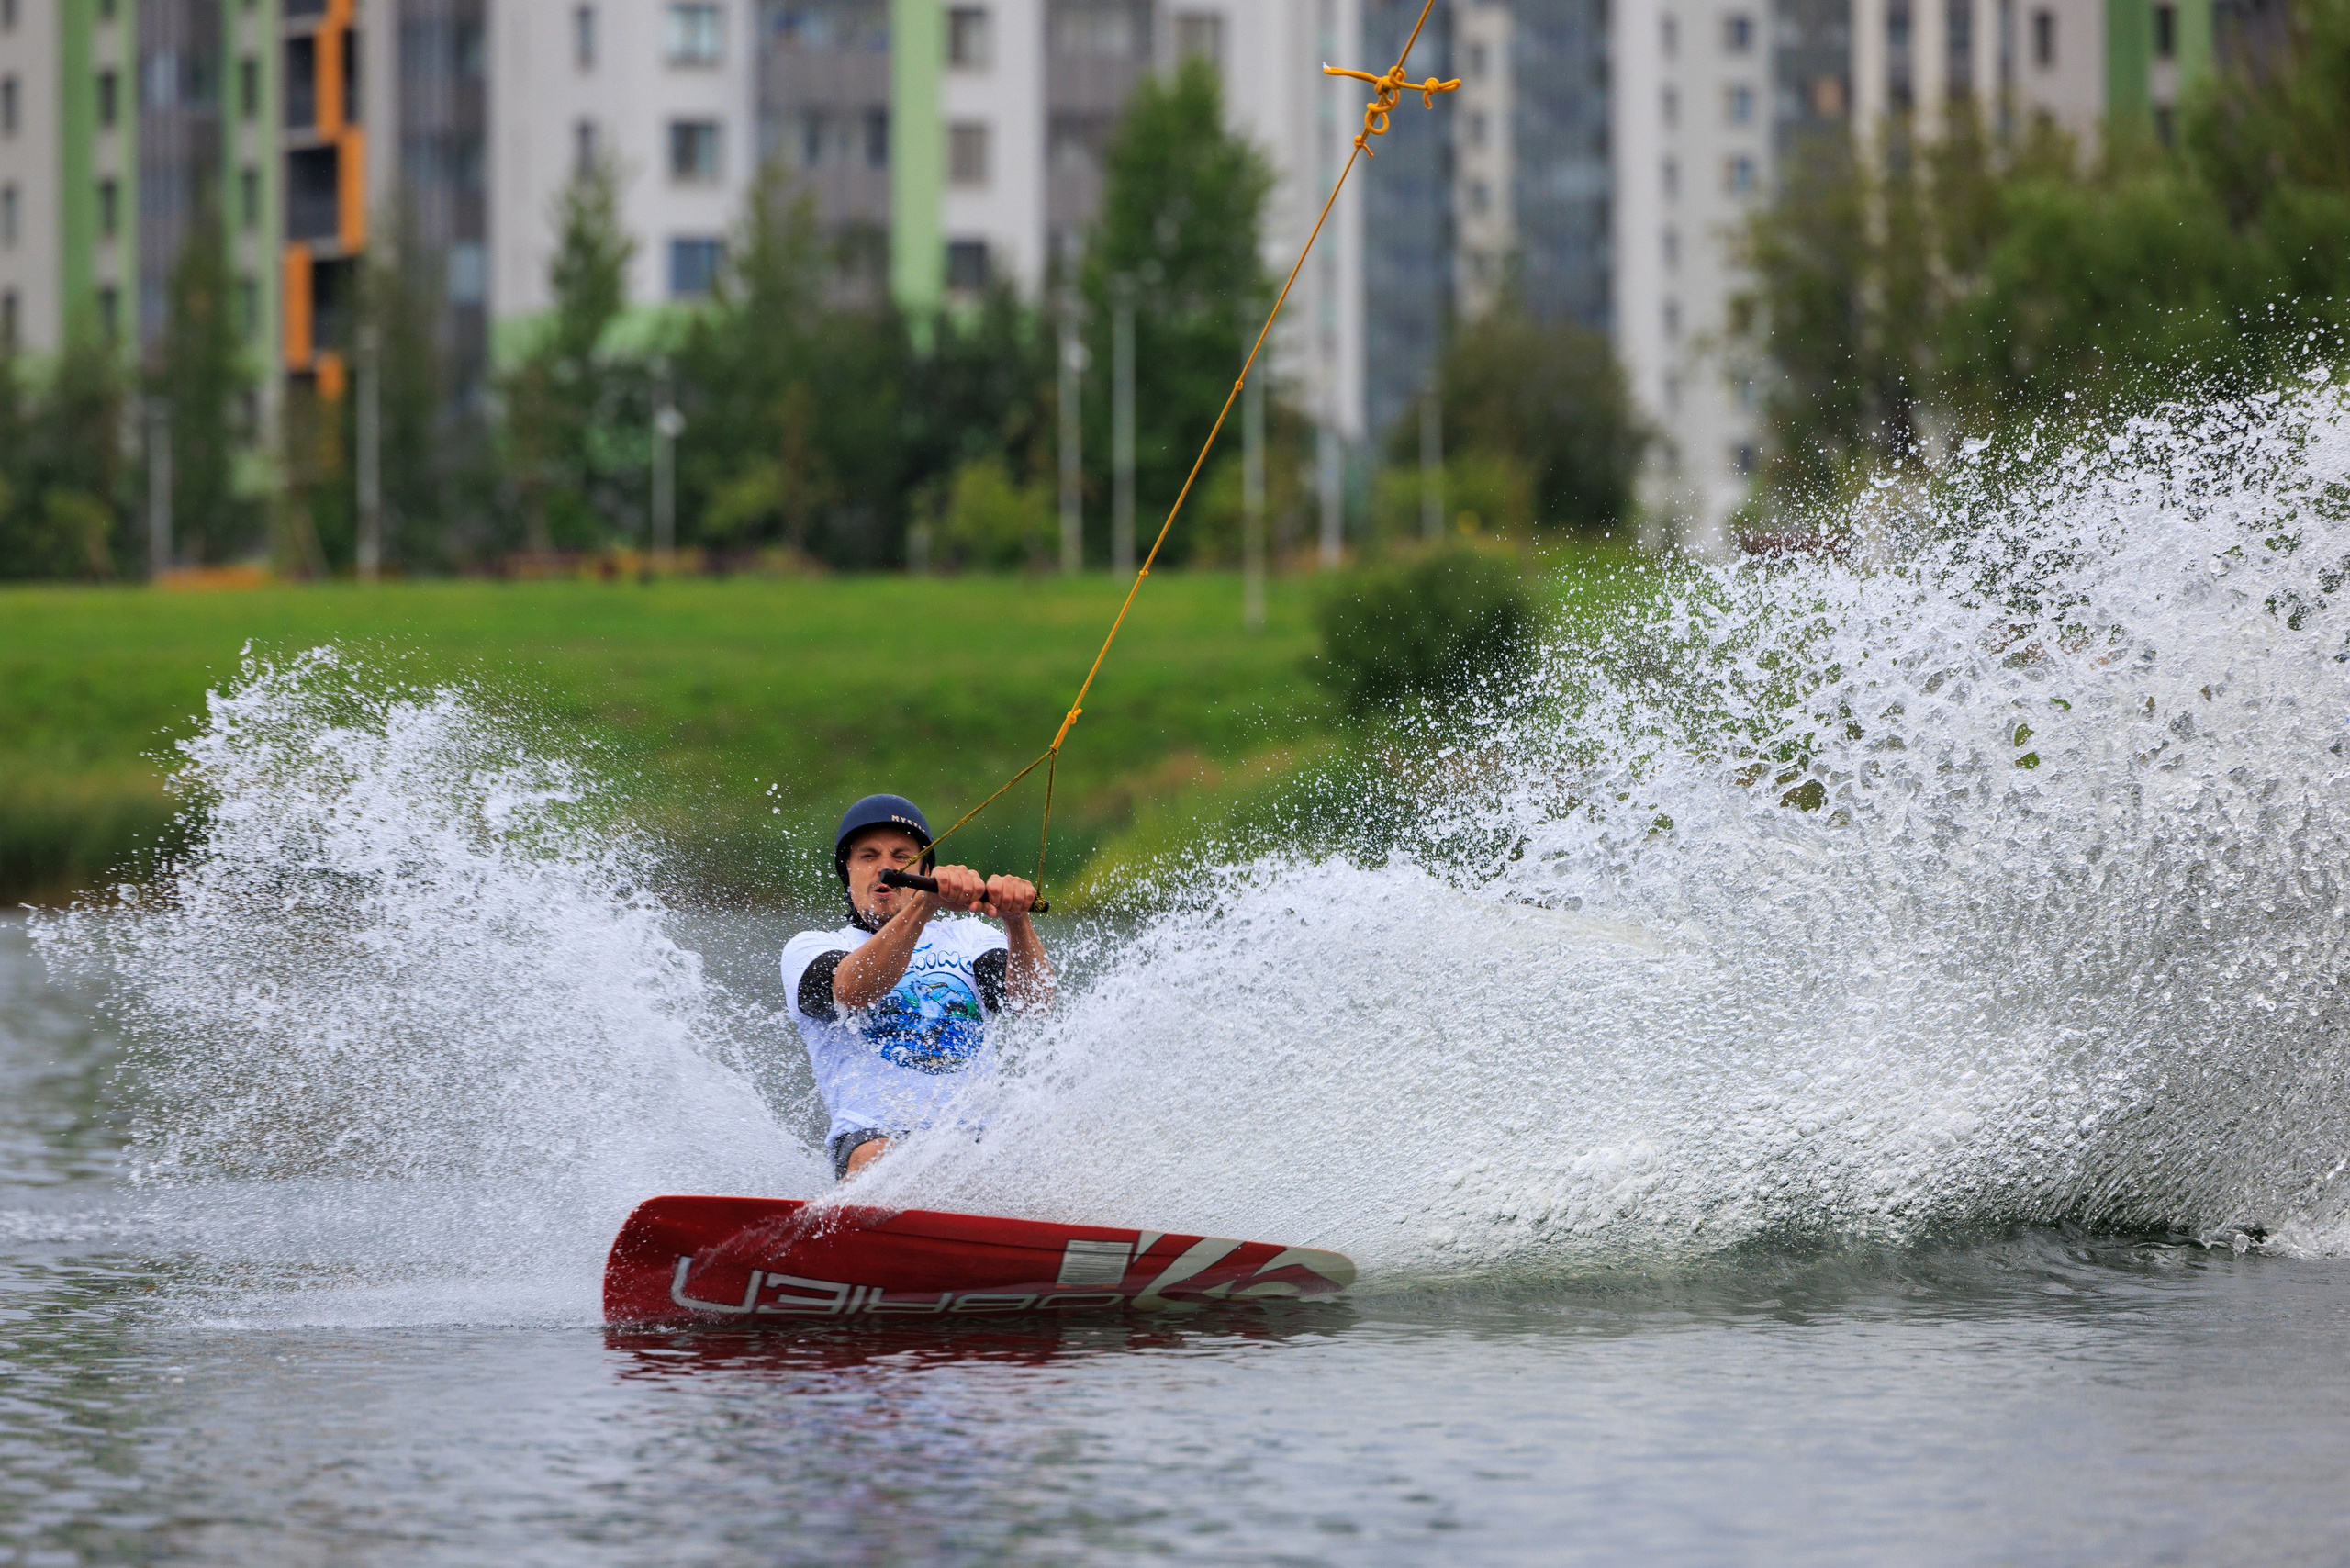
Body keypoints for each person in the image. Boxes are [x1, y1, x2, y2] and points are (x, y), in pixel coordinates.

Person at [779, 794, 1052, 1182]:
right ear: (848, 871)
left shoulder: (973, 937)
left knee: (1042, 1135)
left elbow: (1034, 1003)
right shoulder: (811, 948)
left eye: (901, 855)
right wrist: (925, 905)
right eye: (869, 856)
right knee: (878, 1154)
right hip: (873, 1138)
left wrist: (1016, 921)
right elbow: (853, 992)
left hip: (978, 1139)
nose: (886, 868)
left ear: (924, 867)